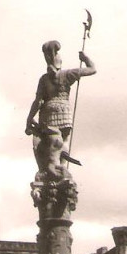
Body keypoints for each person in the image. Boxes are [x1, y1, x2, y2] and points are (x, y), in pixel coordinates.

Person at [24, 40, 96, 176]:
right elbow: (92, 69)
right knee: (65, 140)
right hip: (64, 110)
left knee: (51, 141)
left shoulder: (44, 79)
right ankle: (62, 166)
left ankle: (55, 166)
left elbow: (38, 101)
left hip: (48, 111)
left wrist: (29, 118)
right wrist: (85, 58)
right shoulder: (68, 74)